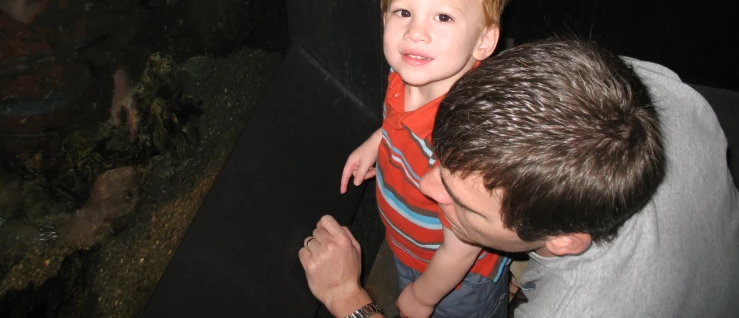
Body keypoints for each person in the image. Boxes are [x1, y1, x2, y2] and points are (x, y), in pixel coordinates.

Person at [301, 38, 739, 317]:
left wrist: (346, 298)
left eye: (464, 203)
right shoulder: (646, 87)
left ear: (564, 241)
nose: (426, 185)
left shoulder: (574, 310)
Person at [339, 0, 517, 318]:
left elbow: (464, 244)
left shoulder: (463, 136)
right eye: (404, 11)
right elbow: (399, 118)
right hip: (411, 245)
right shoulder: (408, 72)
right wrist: (378, 139)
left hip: (456, 275)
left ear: (483, 42)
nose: (416, 31)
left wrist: (424, 296)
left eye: (442, 16)